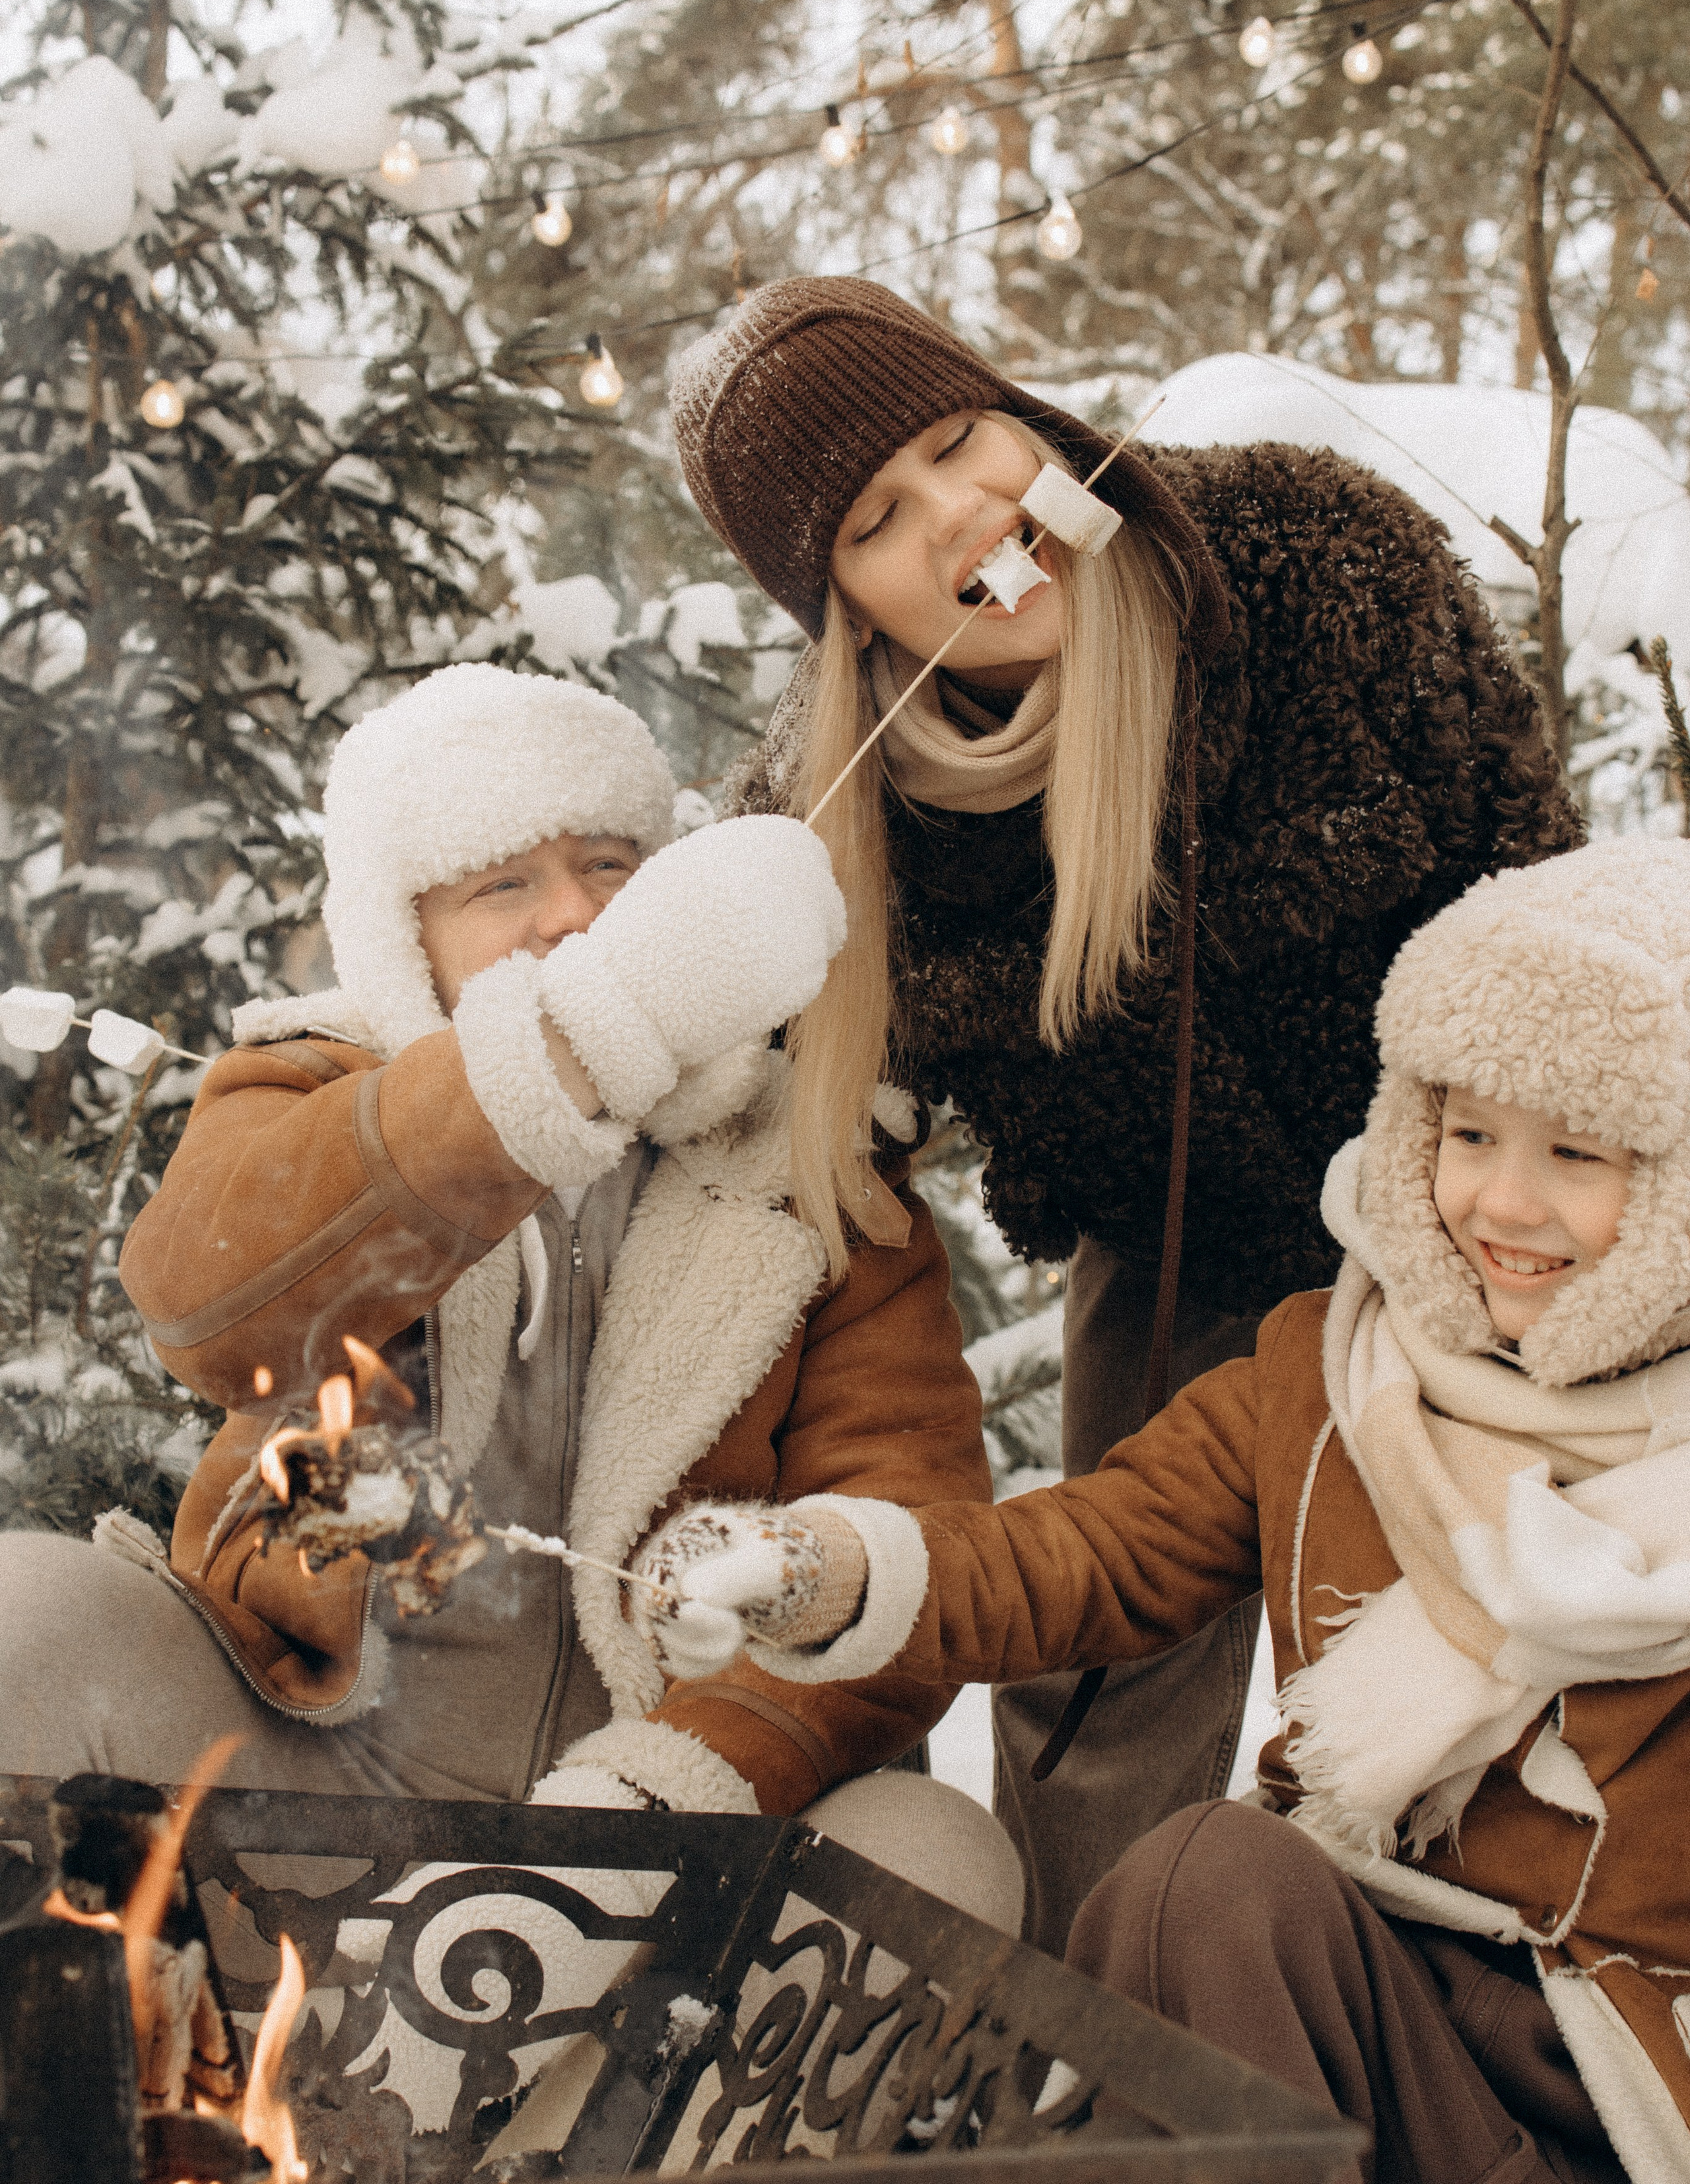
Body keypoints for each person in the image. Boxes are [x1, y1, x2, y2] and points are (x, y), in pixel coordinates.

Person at [669, 273, 1582, 1948]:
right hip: (1167, 1262)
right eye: (881, 519)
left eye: (963, 442)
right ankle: (1072, 2048)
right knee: (1100, 1675)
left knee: (1500, 1666)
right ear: (844, 605)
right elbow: (736, 1086)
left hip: (1477, 1216)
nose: (967, 514)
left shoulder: (1321, 562)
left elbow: (1537, 901)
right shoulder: (837, 813)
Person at [630, 835, 1690, 2184]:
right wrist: (812, 1567)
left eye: (1576, 1155)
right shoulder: (1334, 1375)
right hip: (1353, 2007)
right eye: (1467, 1134)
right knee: (1203, 1882)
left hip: (1615, 2080)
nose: (1499, 1202)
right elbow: (1085, 1552)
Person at [0, 665, 1020, 1939]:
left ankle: (526, 2126)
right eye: (502, 884)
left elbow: (896, 1543)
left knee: (934, 1853)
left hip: (650, 1833)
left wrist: (653, 1796)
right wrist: (538, 1078)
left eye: (607, 865)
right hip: (299, 1767)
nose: (571, 918)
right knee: (22, 1616)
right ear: (404, 932)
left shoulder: (807, 1169)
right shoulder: (314, 1092)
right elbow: (203, 1312)